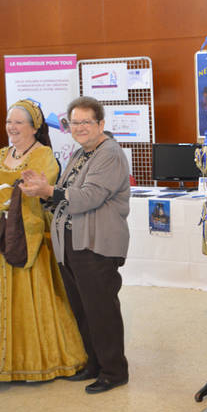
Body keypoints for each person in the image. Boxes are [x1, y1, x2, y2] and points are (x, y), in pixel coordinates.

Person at [0, 99, 86, 382]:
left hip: (27, 234)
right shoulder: (2, 153)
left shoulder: (43, 155)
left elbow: (28, 190)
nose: (11, 127)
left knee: (31, 299)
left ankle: (33, 361)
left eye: (18, 122)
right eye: (8, 122)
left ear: (34, 127)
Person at [20, 96, 131, 394]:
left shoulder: (109, 153)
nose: (80, 128)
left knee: (101, 309)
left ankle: (114, 371)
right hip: (72, 243)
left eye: (86, 122)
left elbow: (88, 197)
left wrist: (49, 190)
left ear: (101, 124)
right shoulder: (81, 153)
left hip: (96, 245)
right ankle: (93, 364)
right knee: (82, 308)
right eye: (75, 122)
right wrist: (42, 190)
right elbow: (67, 191)